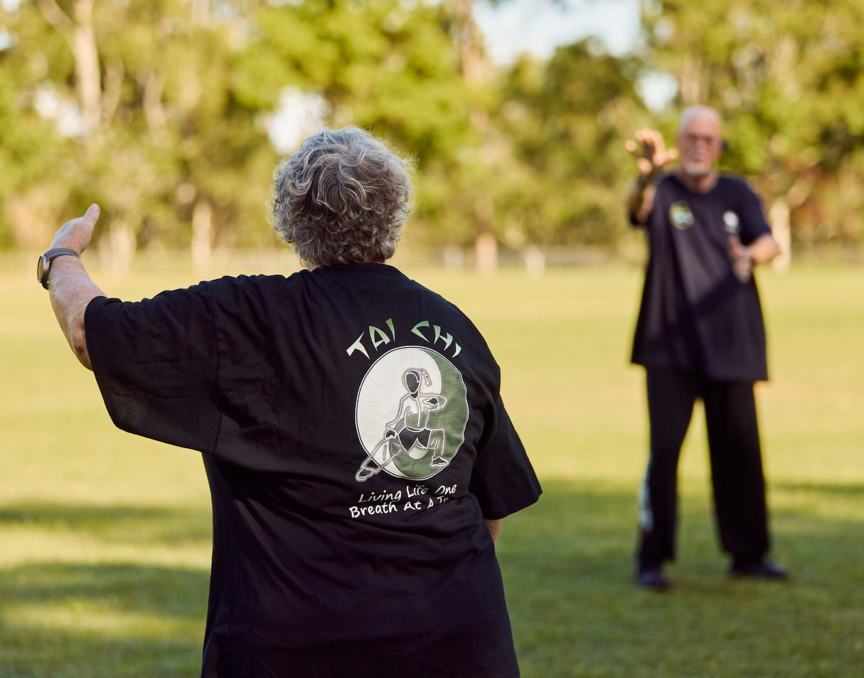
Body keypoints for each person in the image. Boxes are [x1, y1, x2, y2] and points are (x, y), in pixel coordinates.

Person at [40, 126, 542, 676]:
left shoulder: (244, 317)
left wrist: (61, 256)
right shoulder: (453, 327)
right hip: (461, 644)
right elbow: (488, 508)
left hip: (297, 649)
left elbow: (92, 331)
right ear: (395, 210)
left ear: (291, 216)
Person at [623, 105, 787, 591]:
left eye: (708, 138)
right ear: (678, 141)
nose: (699, 145)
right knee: (665, 451)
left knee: (739, 452)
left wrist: (748, 256)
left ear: (719, 146)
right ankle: (652, 558)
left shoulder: (738, 192)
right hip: (669, 345)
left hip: (732, 344)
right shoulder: (662, 190)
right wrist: (647, 176)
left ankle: (750, 554)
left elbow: (769, 243)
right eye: (691, 136)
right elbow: (637, 209)